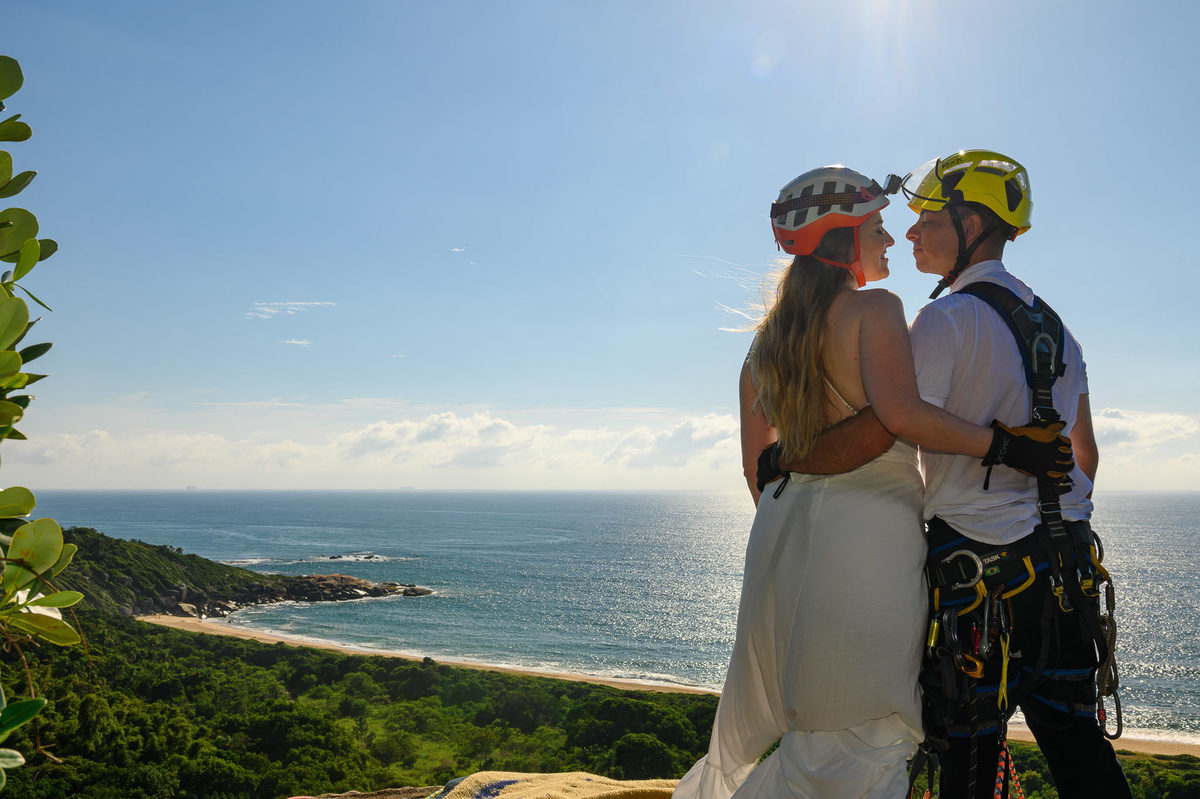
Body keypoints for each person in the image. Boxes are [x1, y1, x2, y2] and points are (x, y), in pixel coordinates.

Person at [673, 166, 1072, 799]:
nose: (890, 240)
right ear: (842, 240)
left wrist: (803, 525)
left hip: (781, 538)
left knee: (819, 716)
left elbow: (759, 471)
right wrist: (1012, 447)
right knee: (864, 726)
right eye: (878, 227)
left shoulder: (763, 345)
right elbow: (899, 415)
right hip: (868, 538)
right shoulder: (876, 309)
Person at [772, 150, 1130, 798]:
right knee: (1082, 755)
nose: (911, 232)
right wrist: (1049, 512)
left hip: (979, 581)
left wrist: (790, 455)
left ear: (971, 224)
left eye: (928, 219)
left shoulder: (943, 320)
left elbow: (893, 424)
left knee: (967, 766)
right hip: (1067, 571)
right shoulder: (1059, 330)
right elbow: (1085, 454)